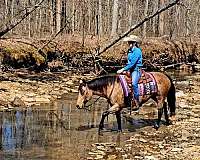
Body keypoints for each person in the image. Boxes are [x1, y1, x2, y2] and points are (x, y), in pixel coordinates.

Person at [117, 35, 143, 111]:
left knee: (134, 83)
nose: (129, 44)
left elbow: (133, 63)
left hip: (136, 69)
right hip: (130, 69)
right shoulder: (129, 51)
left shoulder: (138, 51)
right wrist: (126, 69)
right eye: (129, 42)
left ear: (134, 43)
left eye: (130, 42)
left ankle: (137, 100)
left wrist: (123, 69)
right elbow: (129, 62)